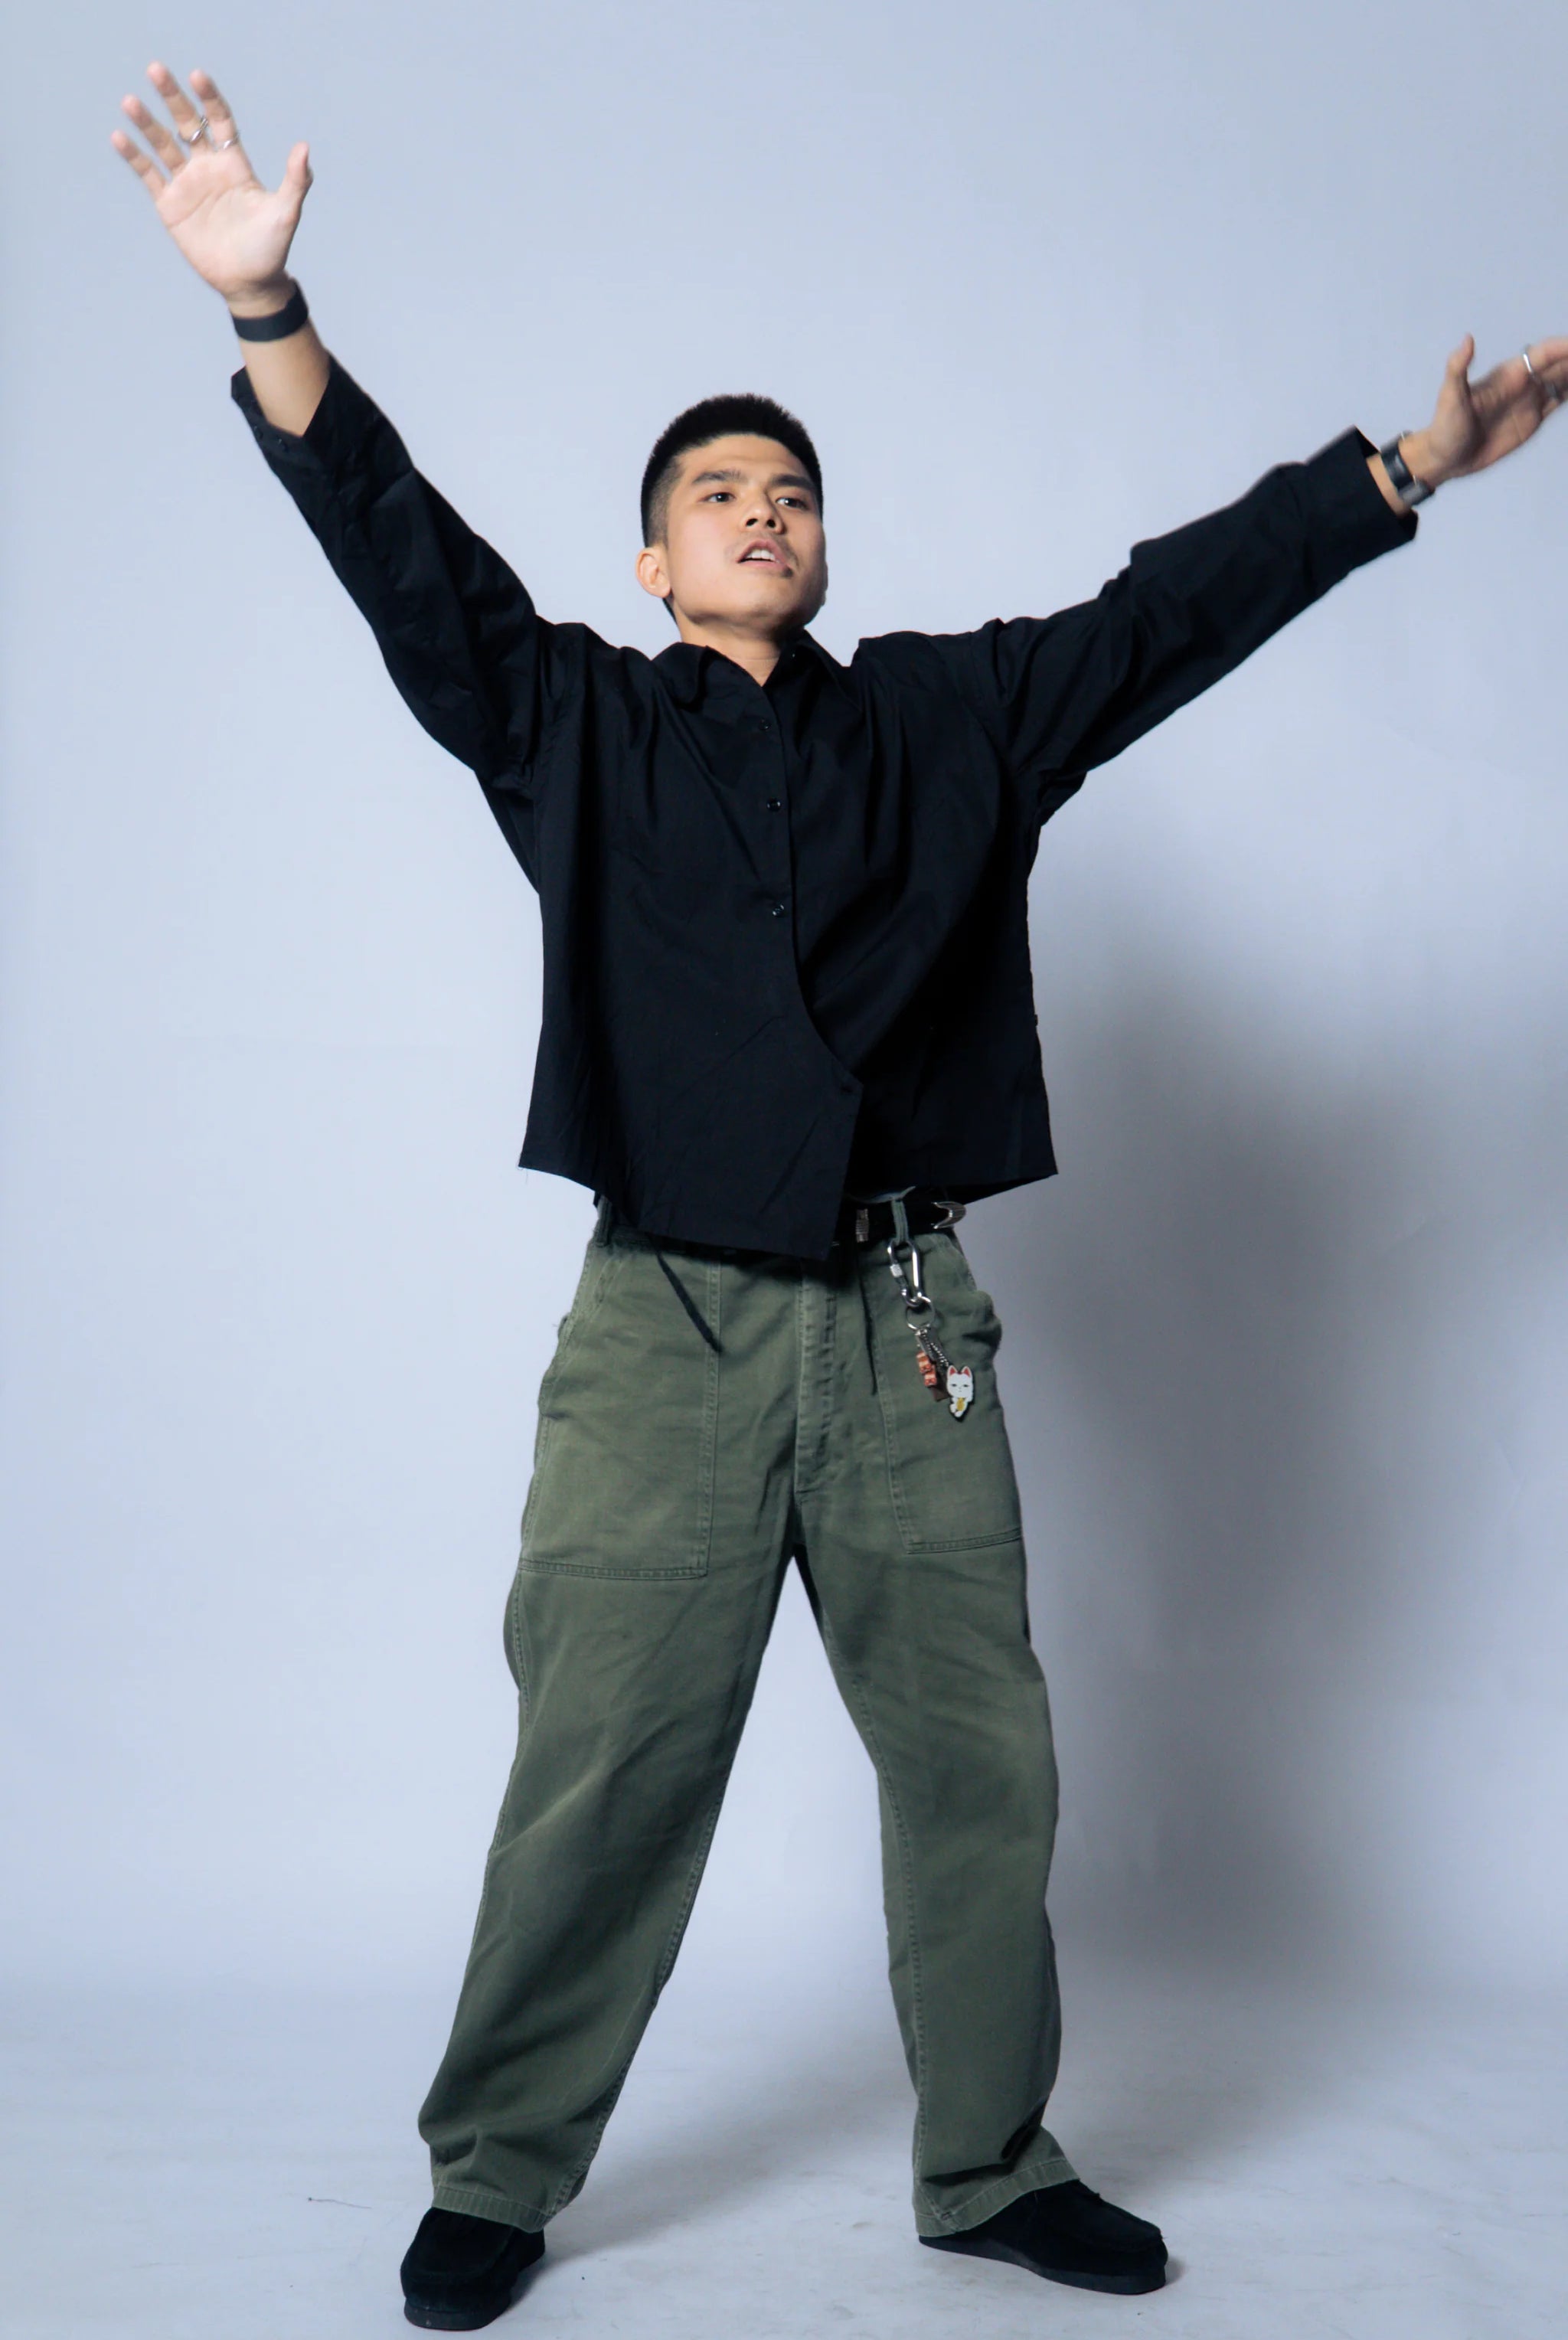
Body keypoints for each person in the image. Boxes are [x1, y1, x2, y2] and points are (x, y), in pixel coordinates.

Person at [113, 57, 1566, 2333]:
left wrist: (1400, 473)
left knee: (983, 1763)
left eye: (791, 490)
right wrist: (267, 307)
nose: (762, 511)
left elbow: (1163, 615)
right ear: (654, 560)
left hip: (909, 1332)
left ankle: (990, 2169)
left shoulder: (950, 722)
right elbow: (408, 562)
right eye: (717, 491)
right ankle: (498, 2170)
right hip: (665, 1331)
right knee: (602, 1762)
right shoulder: (576, 726)